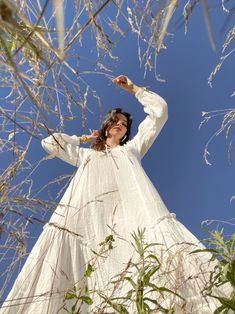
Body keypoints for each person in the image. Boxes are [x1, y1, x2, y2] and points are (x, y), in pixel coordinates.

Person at [0, 75, 229, 313]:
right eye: (115, 121)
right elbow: (50, 143)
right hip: (87, 221)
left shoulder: (132, 149)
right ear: (107, 126)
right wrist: (85, 138)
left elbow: (160, 112)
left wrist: (134, 89)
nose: (121, 124)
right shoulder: (85, 155)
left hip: (137, 217)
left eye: (125, 123)